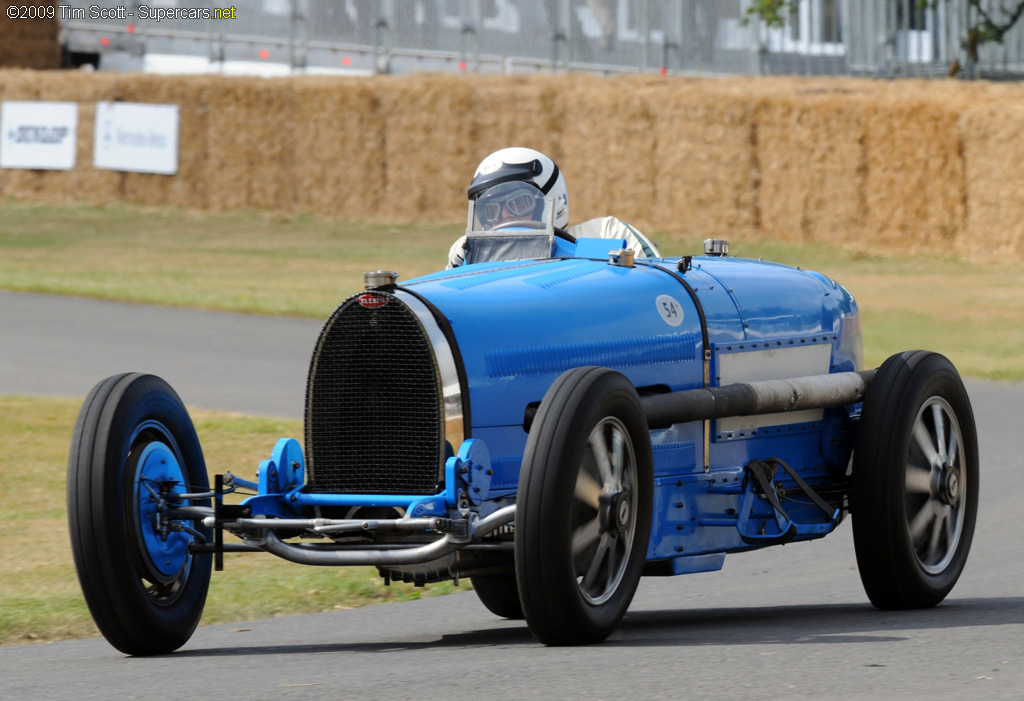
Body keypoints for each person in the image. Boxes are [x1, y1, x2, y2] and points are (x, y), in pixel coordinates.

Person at [447, 147, 660, 268]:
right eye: (491, 210)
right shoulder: (467, 255)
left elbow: (658, 282)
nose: (503, 217)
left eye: (519, 203)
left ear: (551, 200)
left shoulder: (605, 232)